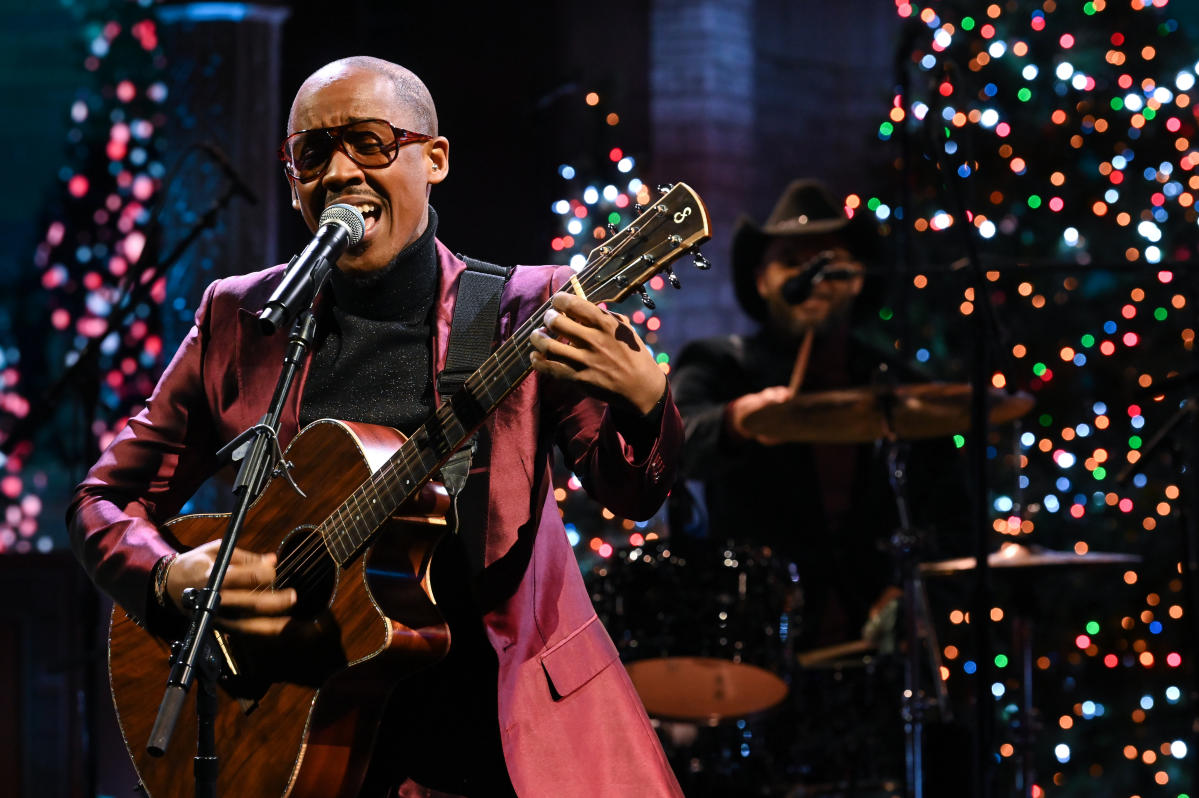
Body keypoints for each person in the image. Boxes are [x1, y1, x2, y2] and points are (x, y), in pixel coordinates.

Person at [68, 56, 685, 797]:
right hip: (305, 743)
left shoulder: (529, 308)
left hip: (502, 737)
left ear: (435, 158)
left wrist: (647, 402)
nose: (338, 172)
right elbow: (103, 498)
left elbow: (632, 490)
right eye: (311, 153)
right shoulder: (242, 317)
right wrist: (166, 576)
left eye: (369, 142)